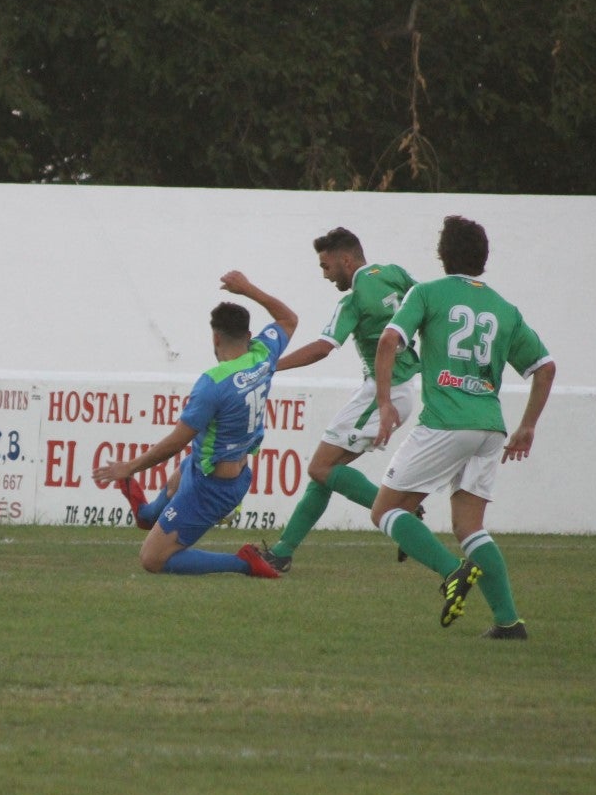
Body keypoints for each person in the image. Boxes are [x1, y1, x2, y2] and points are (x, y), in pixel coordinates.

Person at [370, 215, 555, 639]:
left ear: (443, 256)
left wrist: (384, 404)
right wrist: (527, 426)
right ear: (483, 259)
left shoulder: (428, 293)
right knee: (470, 527)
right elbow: (544, 367)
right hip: (490, 429)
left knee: (385, 510)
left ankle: (454, 572)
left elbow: (387, 340)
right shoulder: (505, 309)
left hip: (445, 423)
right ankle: (509, 623)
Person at [92, 271, 297, 578]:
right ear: (248, 334)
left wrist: (129, 467)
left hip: (213, 487)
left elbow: (176, 441)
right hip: (210, 467)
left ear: (215, 337)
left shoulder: (213, 383)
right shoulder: (263, 354)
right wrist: (249, 289)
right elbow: (288, 319)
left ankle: (244, 562)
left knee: (152, 559)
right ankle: (146, 514)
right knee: (157, 507)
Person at [260, 226, 421, 573]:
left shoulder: (353, 299)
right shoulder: (394, 274)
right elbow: (426, 308)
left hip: (384, 392)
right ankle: (283, 552)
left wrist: (271, 364)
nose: (324, 274)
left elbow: (323, 348)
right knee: (325, 472)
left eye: (326, 266)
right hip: (402, 388)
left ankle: (401, 511)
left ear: (346, 261)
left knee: (319, 467)